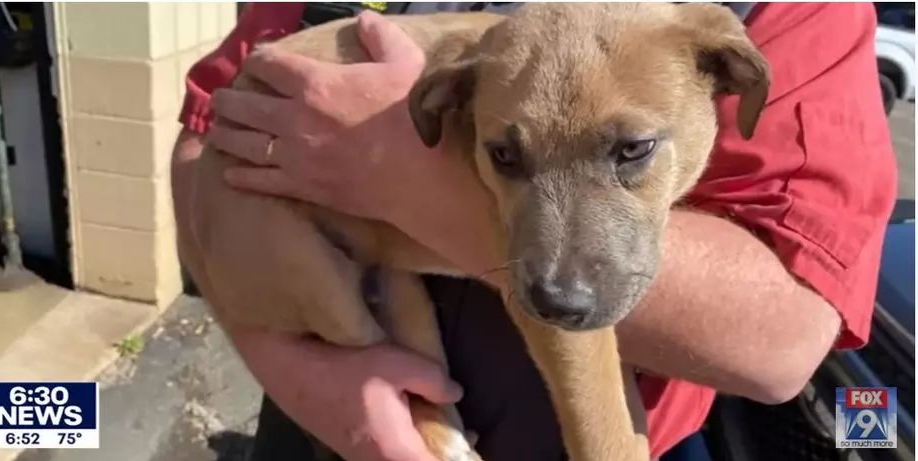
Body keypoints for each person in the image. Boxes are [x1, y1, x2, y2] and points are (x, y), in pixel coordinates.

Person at [170, 3, 897, 461]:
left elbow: (783, 343)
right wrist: (299, 370)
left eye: (631, 152)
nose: (560, 265)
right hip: (324, 408)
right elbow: (207, 141)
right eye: (507, 157)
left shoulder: (784, 16)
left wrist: (403, 179)